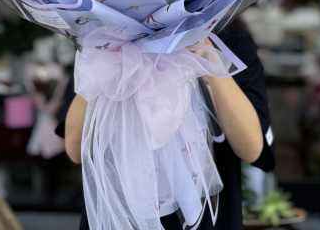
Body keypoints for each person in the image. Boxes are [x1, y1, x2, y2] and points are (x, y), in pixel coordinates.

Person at [55, 17, 275, 230]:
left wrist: (206, 54)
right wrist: (112, 58)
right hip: (119, 218)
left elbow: (252, 149)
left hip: (210, 219)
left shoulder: (230, 38)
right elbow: (75, 149)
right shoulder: (99, 37)